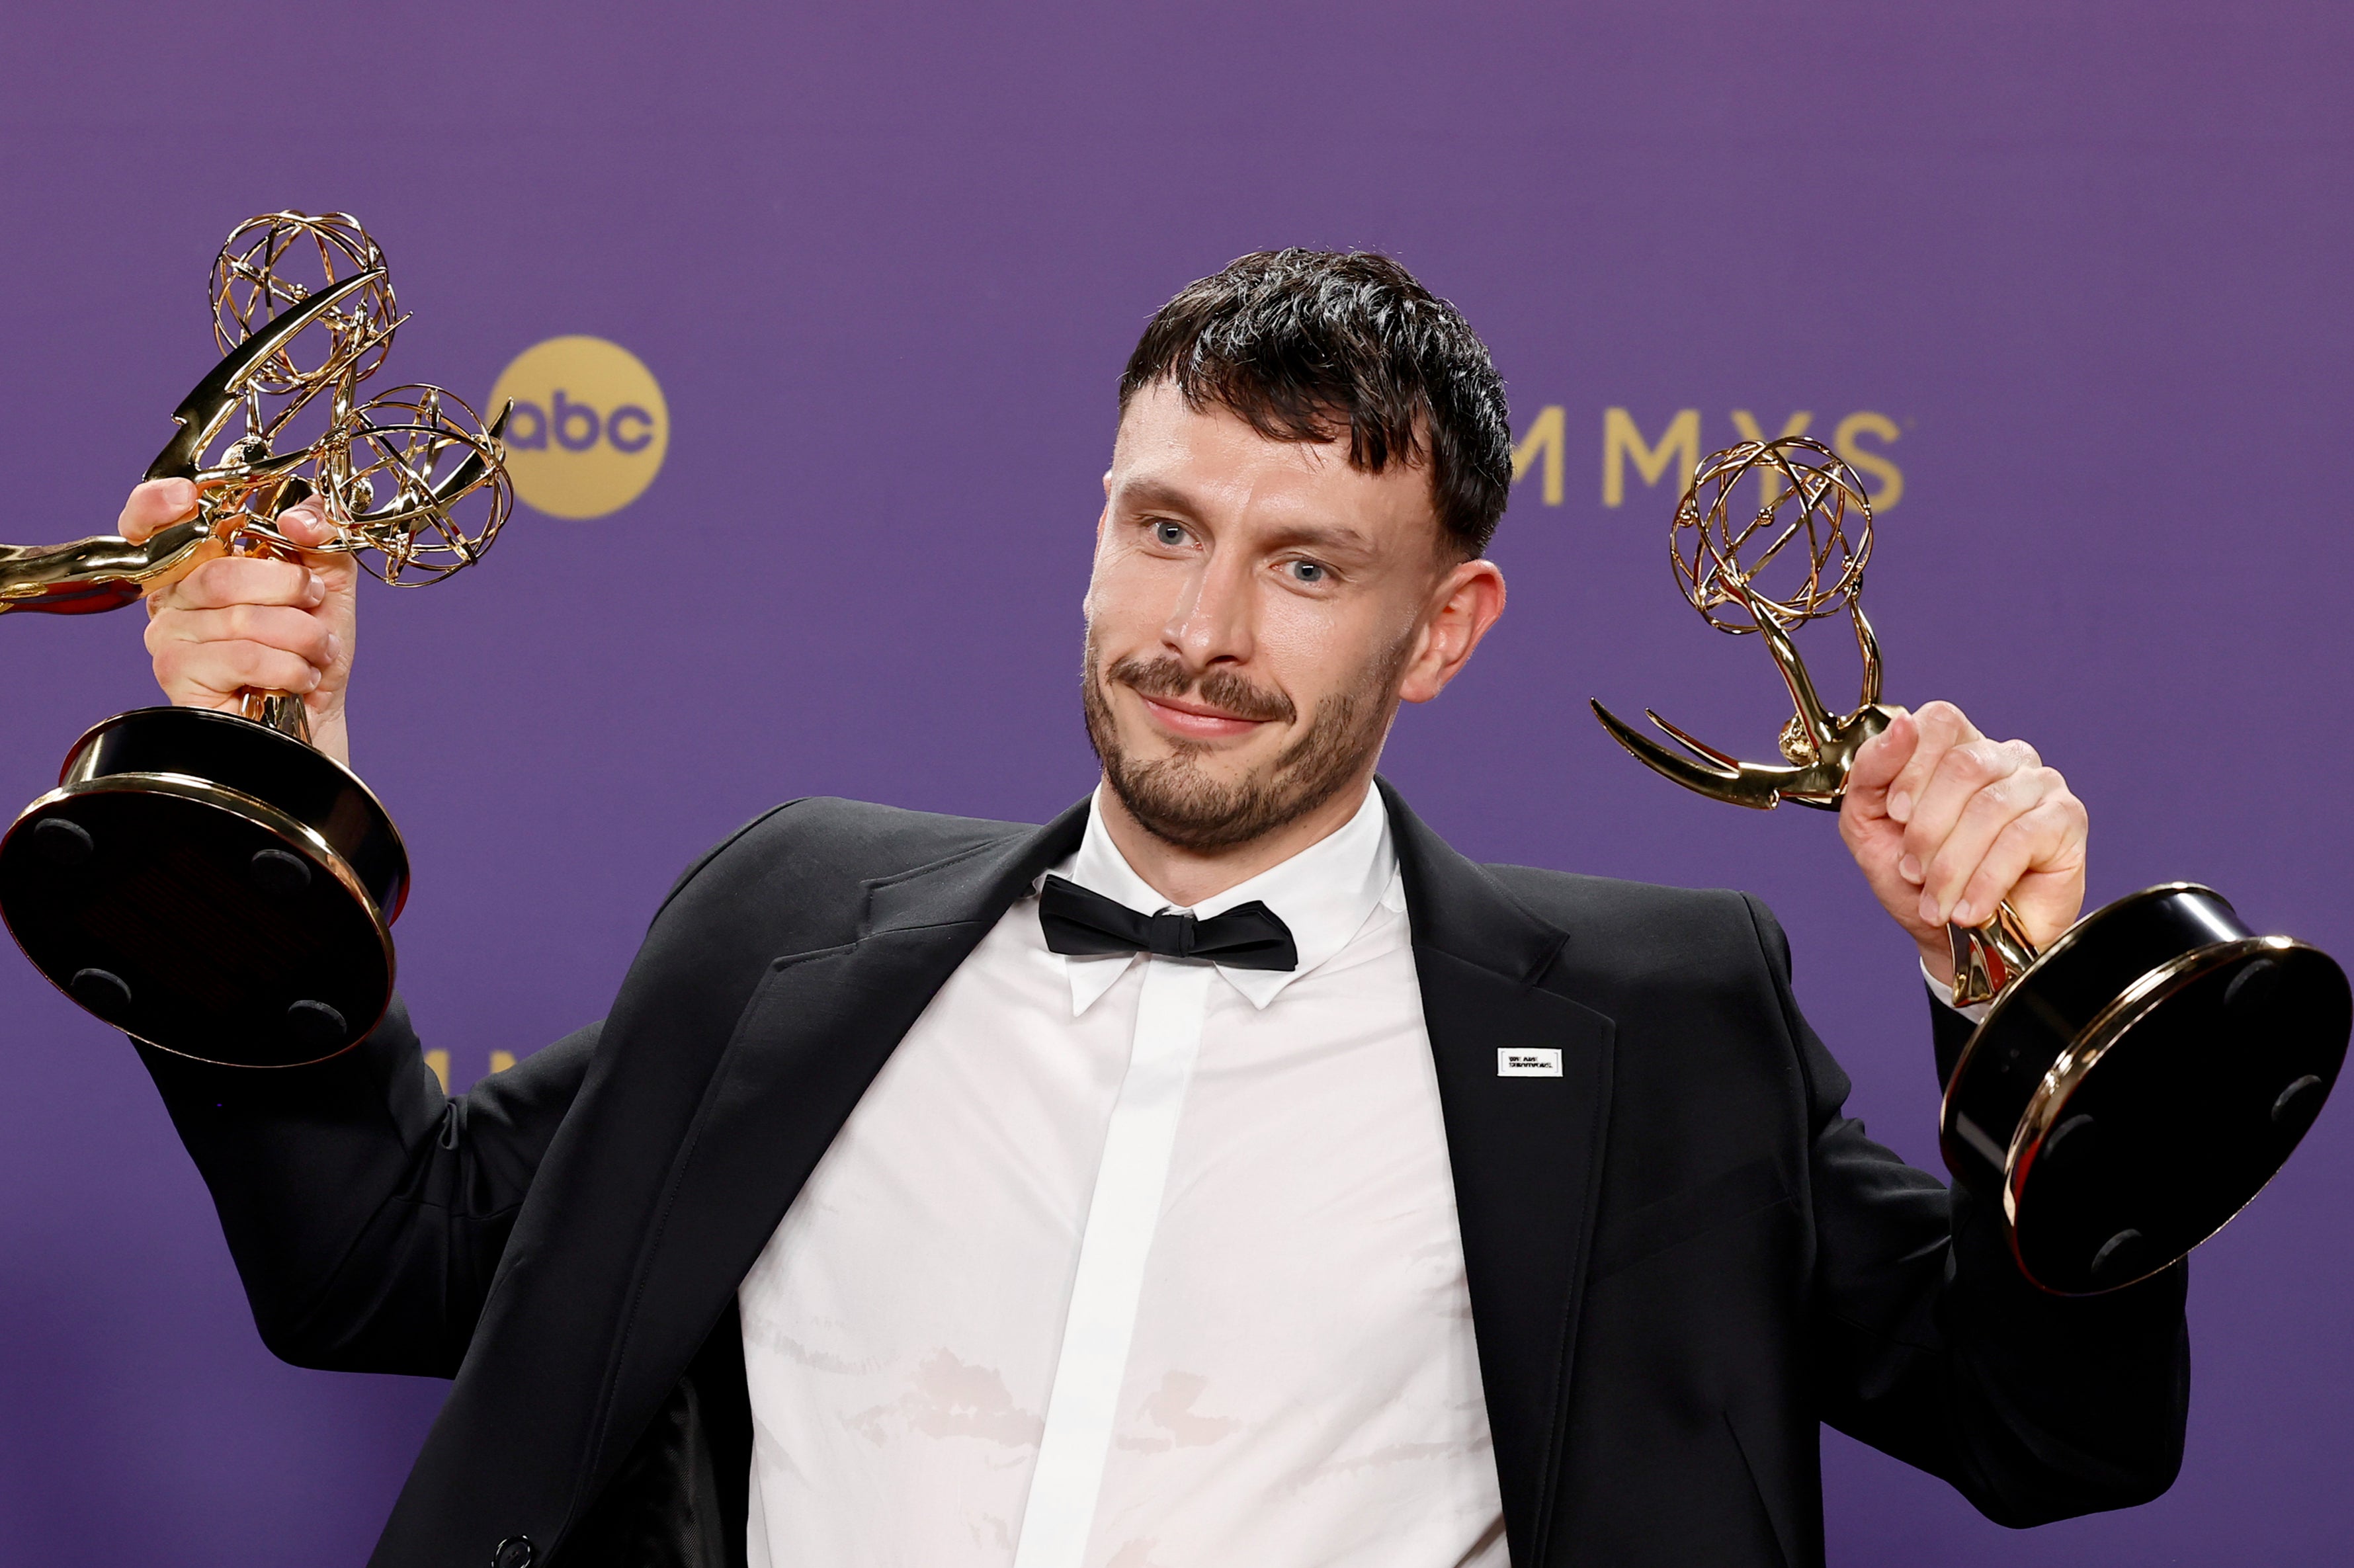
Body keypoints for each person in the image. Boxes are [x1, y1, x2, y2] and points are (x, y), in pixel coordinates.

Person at [113, 250, 2186, 1568]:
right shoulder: (787, 920)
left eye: (1304, 565)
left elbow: (2049, 1432)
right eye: (1164, 526)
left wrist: (2025, 1010)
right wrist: (255, 768)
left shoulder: (1668, 1022)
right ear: (1094, 527)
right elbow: (368, 1262)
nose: (1199, 629)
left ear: (1443, 629)